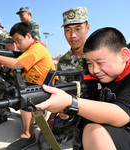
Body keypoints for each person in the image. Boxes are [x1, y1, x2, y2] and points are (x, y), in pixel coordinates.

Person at [36, 27, 130, 150]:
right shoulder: (104, 75)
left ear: (124, 55)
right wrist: (68, 109)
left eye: (100, 63)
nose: (94, 70)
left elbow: (121, 115)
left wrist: (71, 102)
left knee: (95, 132)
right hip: (120, 135)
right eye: (89, 63)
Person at [0, 22, 56, 150]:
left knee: (24, 95)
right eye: (14, 42)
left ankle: (28, 135)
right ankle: (27, 129)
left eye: (18, 40)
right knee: (18, 91)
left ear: (28, 36)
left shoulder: (37, 48)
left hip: (45, 89)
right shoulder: (30, 50)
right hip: (36, 87)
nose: (17, 45)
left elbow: (17, 64)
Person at [38, 7, 90, 150]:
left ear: (87, 28)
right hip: (70, 112)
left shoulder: (97, 54)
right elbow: (59, 90)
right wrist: (52, 118)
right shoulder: (63, 61)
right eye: (68, 30)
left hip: (95, 113)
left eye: (78, 29)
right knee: (44, 143)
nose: (73, 35)